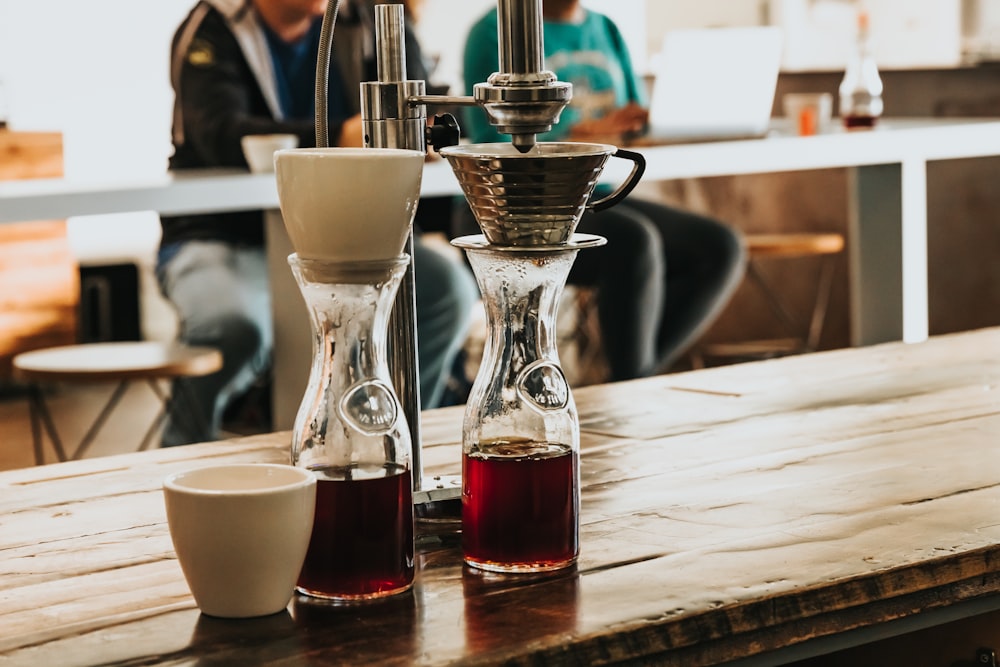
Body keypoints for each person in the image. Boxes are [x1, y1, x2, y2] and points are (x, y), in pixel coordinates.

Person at [159, 0, 478, 446]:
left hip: (343, 230)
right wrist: (340, 135)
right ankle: (178, 459)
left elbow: (422, 110)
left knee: (444, 292)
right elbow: (218, 131)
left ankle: (381, 438)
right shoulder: (212, 27)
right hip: (221, 236)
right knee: (232, 327)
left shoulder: (368, 19)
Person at [459, 0, 747, 381]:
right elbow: (488, 141)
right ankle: (634, 384)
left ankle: (632, 380)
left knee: (718, 246)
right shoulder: (493, 31)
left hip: (599, 196)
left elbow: (631, 115)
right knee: (634, 242)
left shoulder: (606, 28)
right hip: (519, 203)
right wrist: (583, 135)